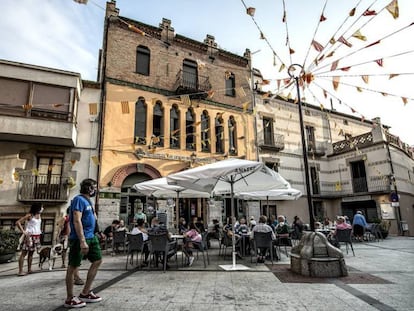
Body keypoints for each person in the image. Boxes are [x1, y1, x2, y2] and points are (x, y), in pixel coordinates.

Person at [64, 178, 102, 308]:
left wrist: (97, 231)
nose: (96, 190)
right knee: (73, 266)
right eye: (95, 187)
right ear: (89, 188)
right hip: (80, 238)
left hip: (92, 236)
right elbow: (76, 221)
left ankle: (85, 292)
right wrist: (82, 241)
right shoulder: (78, 200)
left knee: (97, 260)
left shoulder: (89, 201)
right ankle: (69, 298)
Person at [57, 208, 84, 285]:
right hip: (67, 237)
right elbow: (60, 227)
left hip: (71, 237)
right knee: (69, 253)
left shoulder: (72, 218)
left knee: (73, 255)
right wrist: (59, 236)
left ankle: (74, 275)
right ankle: (75, 276)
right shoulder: (66, 218)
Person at [15, 203, 43, 276]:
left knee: (31, 253)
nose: (42, 208)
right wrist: (23, 231)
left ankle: (29, 269)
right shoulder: (30, 215)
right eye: (41, 207)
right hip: (29, 236)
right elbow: (18, 222)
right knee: (24, 253)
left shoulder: (39, 215)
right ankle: (20, 271)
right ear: (38, 208)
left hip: (36, 236)